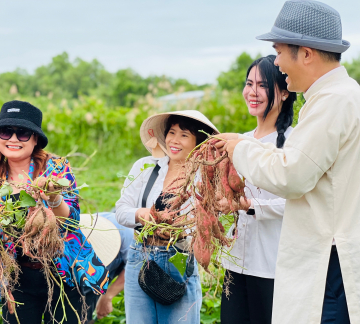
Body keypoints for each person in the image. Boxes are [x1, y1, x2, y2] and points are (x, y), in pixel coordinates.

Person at [216, 1, 360, 322]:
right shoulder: (338, 96)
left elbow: (292, 175)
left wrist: (240, 149)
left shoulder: (333, 101)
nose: (277, 62)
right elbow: (300, 162)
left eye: (279, 52)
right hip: (328, 260)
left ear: (306, 53)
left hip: (329, 264)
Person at [0, 100, 109, 324]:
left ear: (35, 138)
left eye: (22, 133)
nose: (12, 138)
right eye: (6, 131)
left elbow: (72, 222)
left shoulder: (56, 169)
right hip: (17, 276)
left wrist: (54, 198)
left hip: (62, 273)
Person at [115, 110, 218, 324]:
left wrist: (181, 230)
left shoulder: (204, 178)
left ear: (198, 142)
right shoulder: (145, 167)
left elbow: (205, 227)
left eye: (184, 135)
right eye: (171, 132)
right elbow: (121, 211)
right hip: (140, 256)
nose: (174, 140)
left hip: (178, 259)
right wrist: (142, 214)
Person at [219, 55, 296, 324]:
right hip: (236, 263)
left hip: (273, 266)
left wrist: (249, 205)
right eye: (249, 83)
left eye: (263, 85)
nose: (252, 92)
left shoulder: (294, 143)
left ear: (285, 92)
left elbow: (298, 204)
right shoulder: (239, 141)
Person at [79, 212, 134, 323]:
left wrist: (108, 296)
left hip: (126, 258)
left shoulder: (127, 236)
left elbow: (134, 269)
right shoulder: (76, 232)